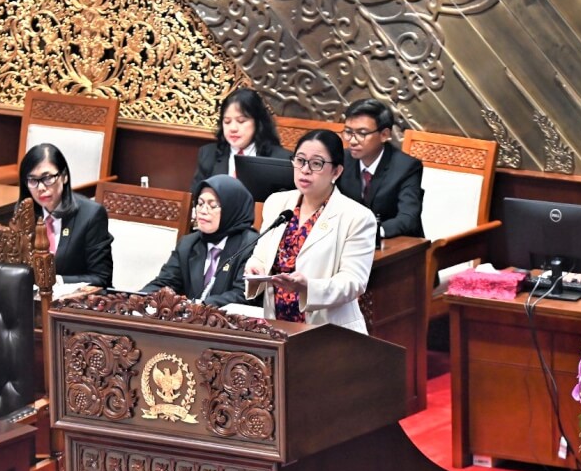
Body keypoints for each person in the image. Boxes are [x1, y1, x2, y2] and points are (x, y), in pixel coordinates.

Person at [244, 129, 377, 334]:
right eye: (300, 160)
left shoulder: (357, 217)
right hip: (278, 324)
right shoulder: (277, 203)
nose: (305, 170)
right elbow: (260, 257)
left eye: (316, 163)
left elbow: (353, 282)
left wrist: (309, 287)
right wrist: (255, 268)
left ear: (336, 172)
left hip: (329, 331)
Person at [143, 175, 258, 306]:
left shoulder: (251, 245)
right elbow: (166, 283)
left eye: (213, 205)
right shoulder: (188, 244)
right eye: (200, 203)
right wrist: (138, 298)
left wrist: (198, 306)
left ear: (232, 209)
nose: (203, 211)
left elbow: (243, 294)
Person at [19, 143, 113, 287]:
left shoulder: (91, 215)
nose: (41, 188)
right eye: (33, 181)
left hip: (73, 303)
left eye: (48, 178)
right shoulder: (23, 213)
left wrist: (56, 281)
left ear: (64, 177)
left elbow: (101, 278)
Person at [336, 98, 424, 238]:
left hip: (398, 245)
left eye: (362, 133)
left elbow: (408, 218)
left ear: (384, 135)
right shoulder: (341, 159)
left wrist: (373, 232)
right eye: (348, 132)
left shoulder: (406, 167)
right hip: (350, 242)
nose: (352, 140)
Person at [190, 88, 292, 194]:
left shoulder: (282, 159)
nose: (233, 128)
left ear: (257, 122)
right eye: (227, 122)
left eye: (241, 121)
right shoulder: (208, 154)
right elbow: (196, 198)